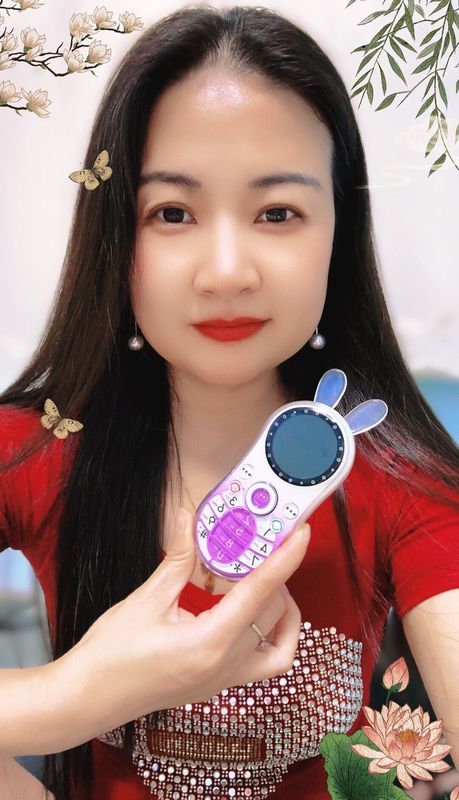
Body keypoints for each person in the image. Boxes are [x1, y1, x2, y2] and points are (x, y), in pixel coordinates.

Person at [0, 5, 458, 800]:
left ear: (337, 231)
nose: (225, 272)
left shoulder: (404, 481)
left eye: (277, 213)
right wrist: (75, 695)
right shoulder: (35, 446)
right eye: (171, 213)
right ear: (117, 234)